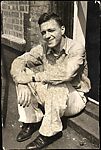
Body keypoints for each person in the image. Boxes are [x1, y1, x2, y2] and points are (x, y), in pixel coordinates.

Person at [10, 12, 91, 149]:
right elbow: (19, 60)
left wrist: (33, 77)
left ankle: (48, 134)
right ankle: (31, 121)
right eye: (44, 32)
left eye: (51, 30)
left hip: (74, 98)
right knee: (23, 74)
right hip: (53, 98)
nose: (47, 35)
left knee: (55, 84)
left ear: (63, 29)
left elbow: (66, 74)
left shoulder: (76, 48)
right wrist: (22, 82)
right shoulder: (43, 48)